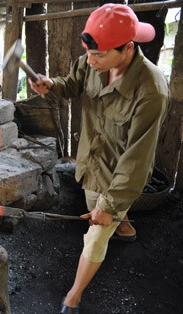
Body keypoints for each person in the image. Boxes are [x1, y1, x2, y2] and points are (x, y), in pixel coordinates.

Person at [29, 4, 169, 313]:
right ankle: (124, 223)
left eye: (99, 56)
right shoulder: (93, 59)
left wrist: (111, 203)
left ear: (127, 48)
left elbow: (137, 159)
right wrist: (51, 85)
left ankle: (73, 297)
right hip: (90, 162)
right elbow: (73, 83)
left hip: (119, 175)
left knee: (95, 234)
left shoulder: (151, 90)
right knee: (102, 214)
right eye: (89, 54)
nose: (90, 62)